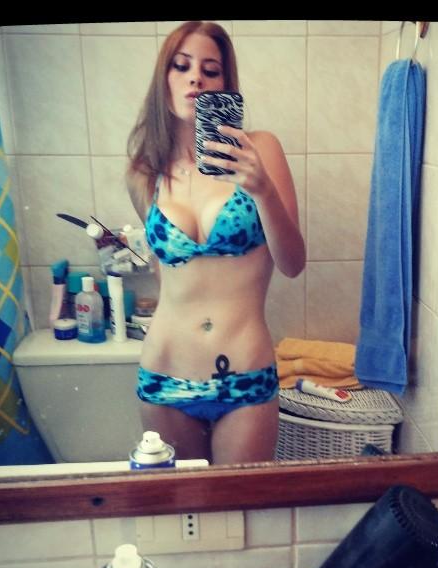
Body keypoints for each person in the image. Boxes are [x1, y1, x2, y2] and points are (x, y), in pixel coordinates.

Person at [126, 21, 305, 465]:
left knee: (242, 503)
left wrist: (262, 189)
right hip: (164, 373)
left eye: (211, 70)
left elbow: (293, 263)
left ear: (226, 84)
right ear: (164, 78)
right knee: (183, 504)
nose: (196, 79)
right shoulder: (144, 173)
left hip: (245, 376)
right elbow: (165, 273)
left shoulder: (261, 150)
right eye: (182, 66)